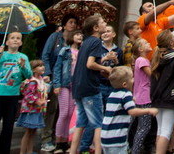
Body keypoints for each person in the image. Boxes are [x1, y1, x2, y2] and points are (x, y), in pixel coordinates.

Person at [0, 31, 32, 154]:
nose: (15, 40)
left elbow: (29, 76)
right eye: (12, 38)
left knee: (8, 126)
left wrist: (23, 66)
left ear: (20, 42)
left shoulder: (23, 57)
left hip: (12, 95)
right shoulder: (1, 55)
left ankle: (4, 150)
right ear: (7, 41)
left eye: (18, 38)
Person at [79, 23, 123, 153]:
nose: (106, 33)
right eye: (105, 31)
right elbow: (92, 64)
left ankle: (103, 145)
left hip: (112, 85)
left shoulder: (118, 50)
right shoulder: (97, 46)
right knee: (94, 118)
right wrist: (104, 59)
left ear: (114, 34)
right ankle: (85, 146)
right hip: (99, 84)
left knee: (109, 116)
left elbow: (119, 69)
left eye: (109, 31)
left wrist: (115, 61)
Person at [69, 14, 108, 154]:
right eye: (103, 22)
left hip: (78, 86)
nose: (105, 23)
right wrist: (106, 68)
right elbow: (90, 64)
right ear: (96, 28)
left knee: (81, 122)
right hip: (90, 87)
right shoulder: (97, 42)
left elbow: (87, 63)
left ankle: (73, 151)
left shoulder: (86, 42)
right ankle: (98, 151)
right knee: (98, 123)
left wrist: (102, 61)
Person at [40, 14, 78, 152]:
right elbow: (46, 55)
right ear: (64, 24)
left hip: (69, 81)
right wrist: (47, 73)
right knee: (52, 110)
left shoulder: (75, 42)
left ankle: (63, 138)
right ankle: (46, 138)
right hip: (55, 78)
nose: (73, 25)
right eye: (70, 22)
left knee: (66, 111)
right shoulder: (55, 37)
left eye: (75, 22)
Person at [101, 66, 158, 154]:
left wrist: (131, 101)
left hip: (106, 137)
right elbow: (132, 111)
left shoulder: (112, 94)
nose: (134, 80)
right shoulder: (126, 94)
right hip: (117, 138)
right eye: (131, 78)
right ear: (124, 84)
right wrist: (148, 110)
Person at [150, 29, 174, 154]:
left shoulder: (156, 56)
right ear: (171, 43)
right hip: (171, 96)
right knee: (166, 130)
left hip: (157, 97)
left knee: (160, 130)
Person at [52, 29, 83, 154]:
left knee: (71, 113)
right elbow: (58, 68)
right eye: (77, 34)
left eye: (81, 35)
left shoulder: (82, 52)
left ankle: (69, 140)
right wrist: (57, 84)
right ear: (71, 37)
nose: (79, 36)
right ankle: (59, 141)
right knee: (64, 113)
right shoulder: (65, 50)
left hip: (76, 85)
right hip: (65, 84)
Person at [18, 60, 48, 154]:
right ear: (34, 70)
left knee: (33, 131)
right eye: (39, 66)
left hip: (38, 110)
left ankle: (29, 151)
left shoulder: (41, 80)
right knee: (28, 131)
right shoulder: (32, 81)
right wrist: (37, 101)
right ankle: (22, 152)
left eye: (42, 65)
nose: (42, 67)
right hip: (31, 110)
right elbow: (28, 95)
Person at [132, 39, 155, 154]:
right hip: (144, 97)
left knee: (141, 126)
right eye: (146, 43)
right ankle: (135, 150)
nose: (149, 43)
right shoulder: (142, 60)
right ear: (140, 49)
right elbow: (151, 75)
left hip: (140, 96)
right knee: (144, 127)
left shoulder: (142, 60)